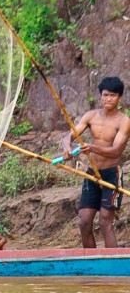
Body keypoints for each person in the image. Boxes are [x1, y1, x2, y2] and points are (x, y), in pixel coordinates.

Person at [61, 76, 130, 248]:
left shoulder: (124, 121)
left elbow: (116, 151)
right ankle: (91, 263)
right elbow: (69, 135)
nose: (108, 99)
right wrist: (67, 147)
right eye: (105, 95)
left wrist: (92, 148)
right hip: (92, 174)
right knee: (84, 222)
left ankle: (113, 267)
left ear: (119, 97)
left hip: (111, 174)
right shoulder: (90, 116)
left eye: (113, 95)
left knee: (105, 221)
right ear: (100, 95)